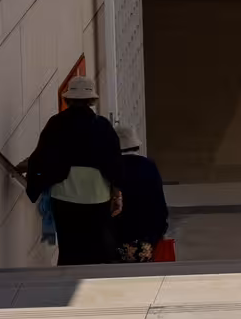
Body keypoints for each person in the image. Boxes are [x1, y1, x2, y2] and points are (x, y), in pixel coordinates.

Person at [22, 76, 123, 265]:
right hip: (97, 193)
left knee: (69, 246)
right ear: (91, 101)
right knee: (96, 245)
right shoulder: (102, 125)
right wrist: (116, 193)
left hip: (64, 192)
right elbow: (114, 161)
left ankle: (68, 278)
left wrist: (36, 182)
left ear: (68, 99)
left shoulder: (57, 123)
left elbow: (41, 155)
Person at [109, 122, 169, 262]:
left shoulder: (112, 168)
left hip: (119, 236)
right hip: (146, 238)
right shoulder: (149, 165)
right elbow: (159, 202)